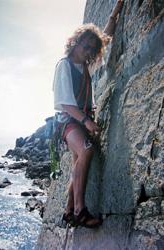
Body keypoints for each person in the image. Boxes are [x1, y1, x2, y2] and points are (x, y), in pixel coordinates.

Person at [53, 0, 124, 228]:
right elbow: (64, 105)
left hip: (80, 122)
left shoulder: (85, 66)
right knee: (86, 150)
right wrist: (86, 121)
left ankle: (67, 211)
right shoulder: (64, 65)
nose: (89, 51)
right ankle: (79, 211)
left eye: (92, 50)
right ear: (75, 42)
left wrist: (115, 12)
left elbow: (104, 37)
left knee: (78, 166)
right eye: (86, 46)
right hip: (68, 123)